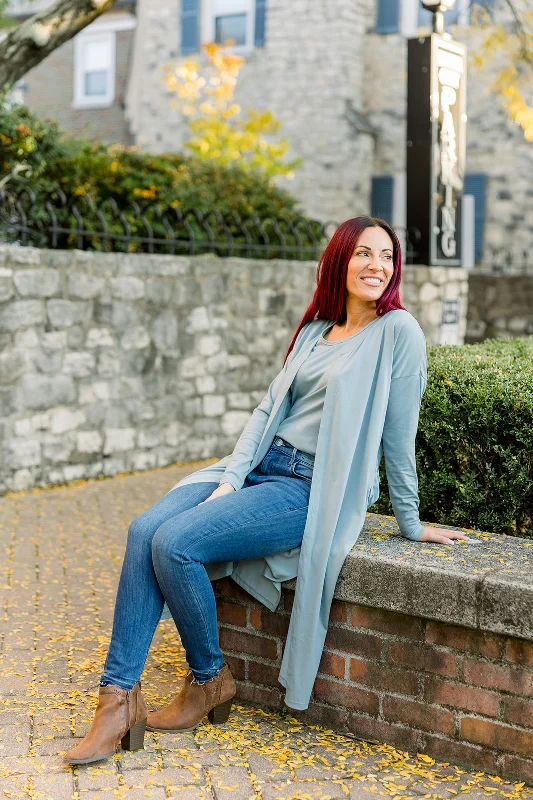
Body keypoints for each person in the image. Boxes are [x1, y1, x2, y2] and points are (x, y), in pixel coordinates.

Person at [64, 215, 470, 767]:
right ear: (340, 260)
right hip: (255, 466)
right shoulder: (314, 331)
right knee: (143, 531)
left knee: (175, 544)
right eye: (364, 254)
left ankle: (209, 680)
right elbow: (266, 410)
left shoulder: (399, 333)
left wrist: (409, 521)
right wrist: (230, 477)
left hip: (306, 487)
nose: (377, 266)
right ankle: (117, 700)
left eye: (386, 256)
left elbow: (398, 437)